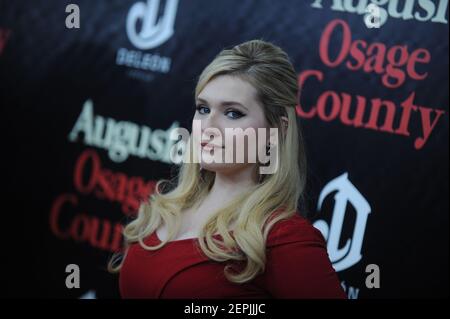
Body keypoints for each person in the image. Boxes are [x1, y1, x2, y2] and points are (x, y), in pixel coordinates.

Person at [109, 39, 346, 299]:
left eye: (232, 113)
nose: (208, 126)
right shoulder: (164, 210)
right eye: (203, 108)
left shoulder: (281, 237)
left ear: (277, 130)